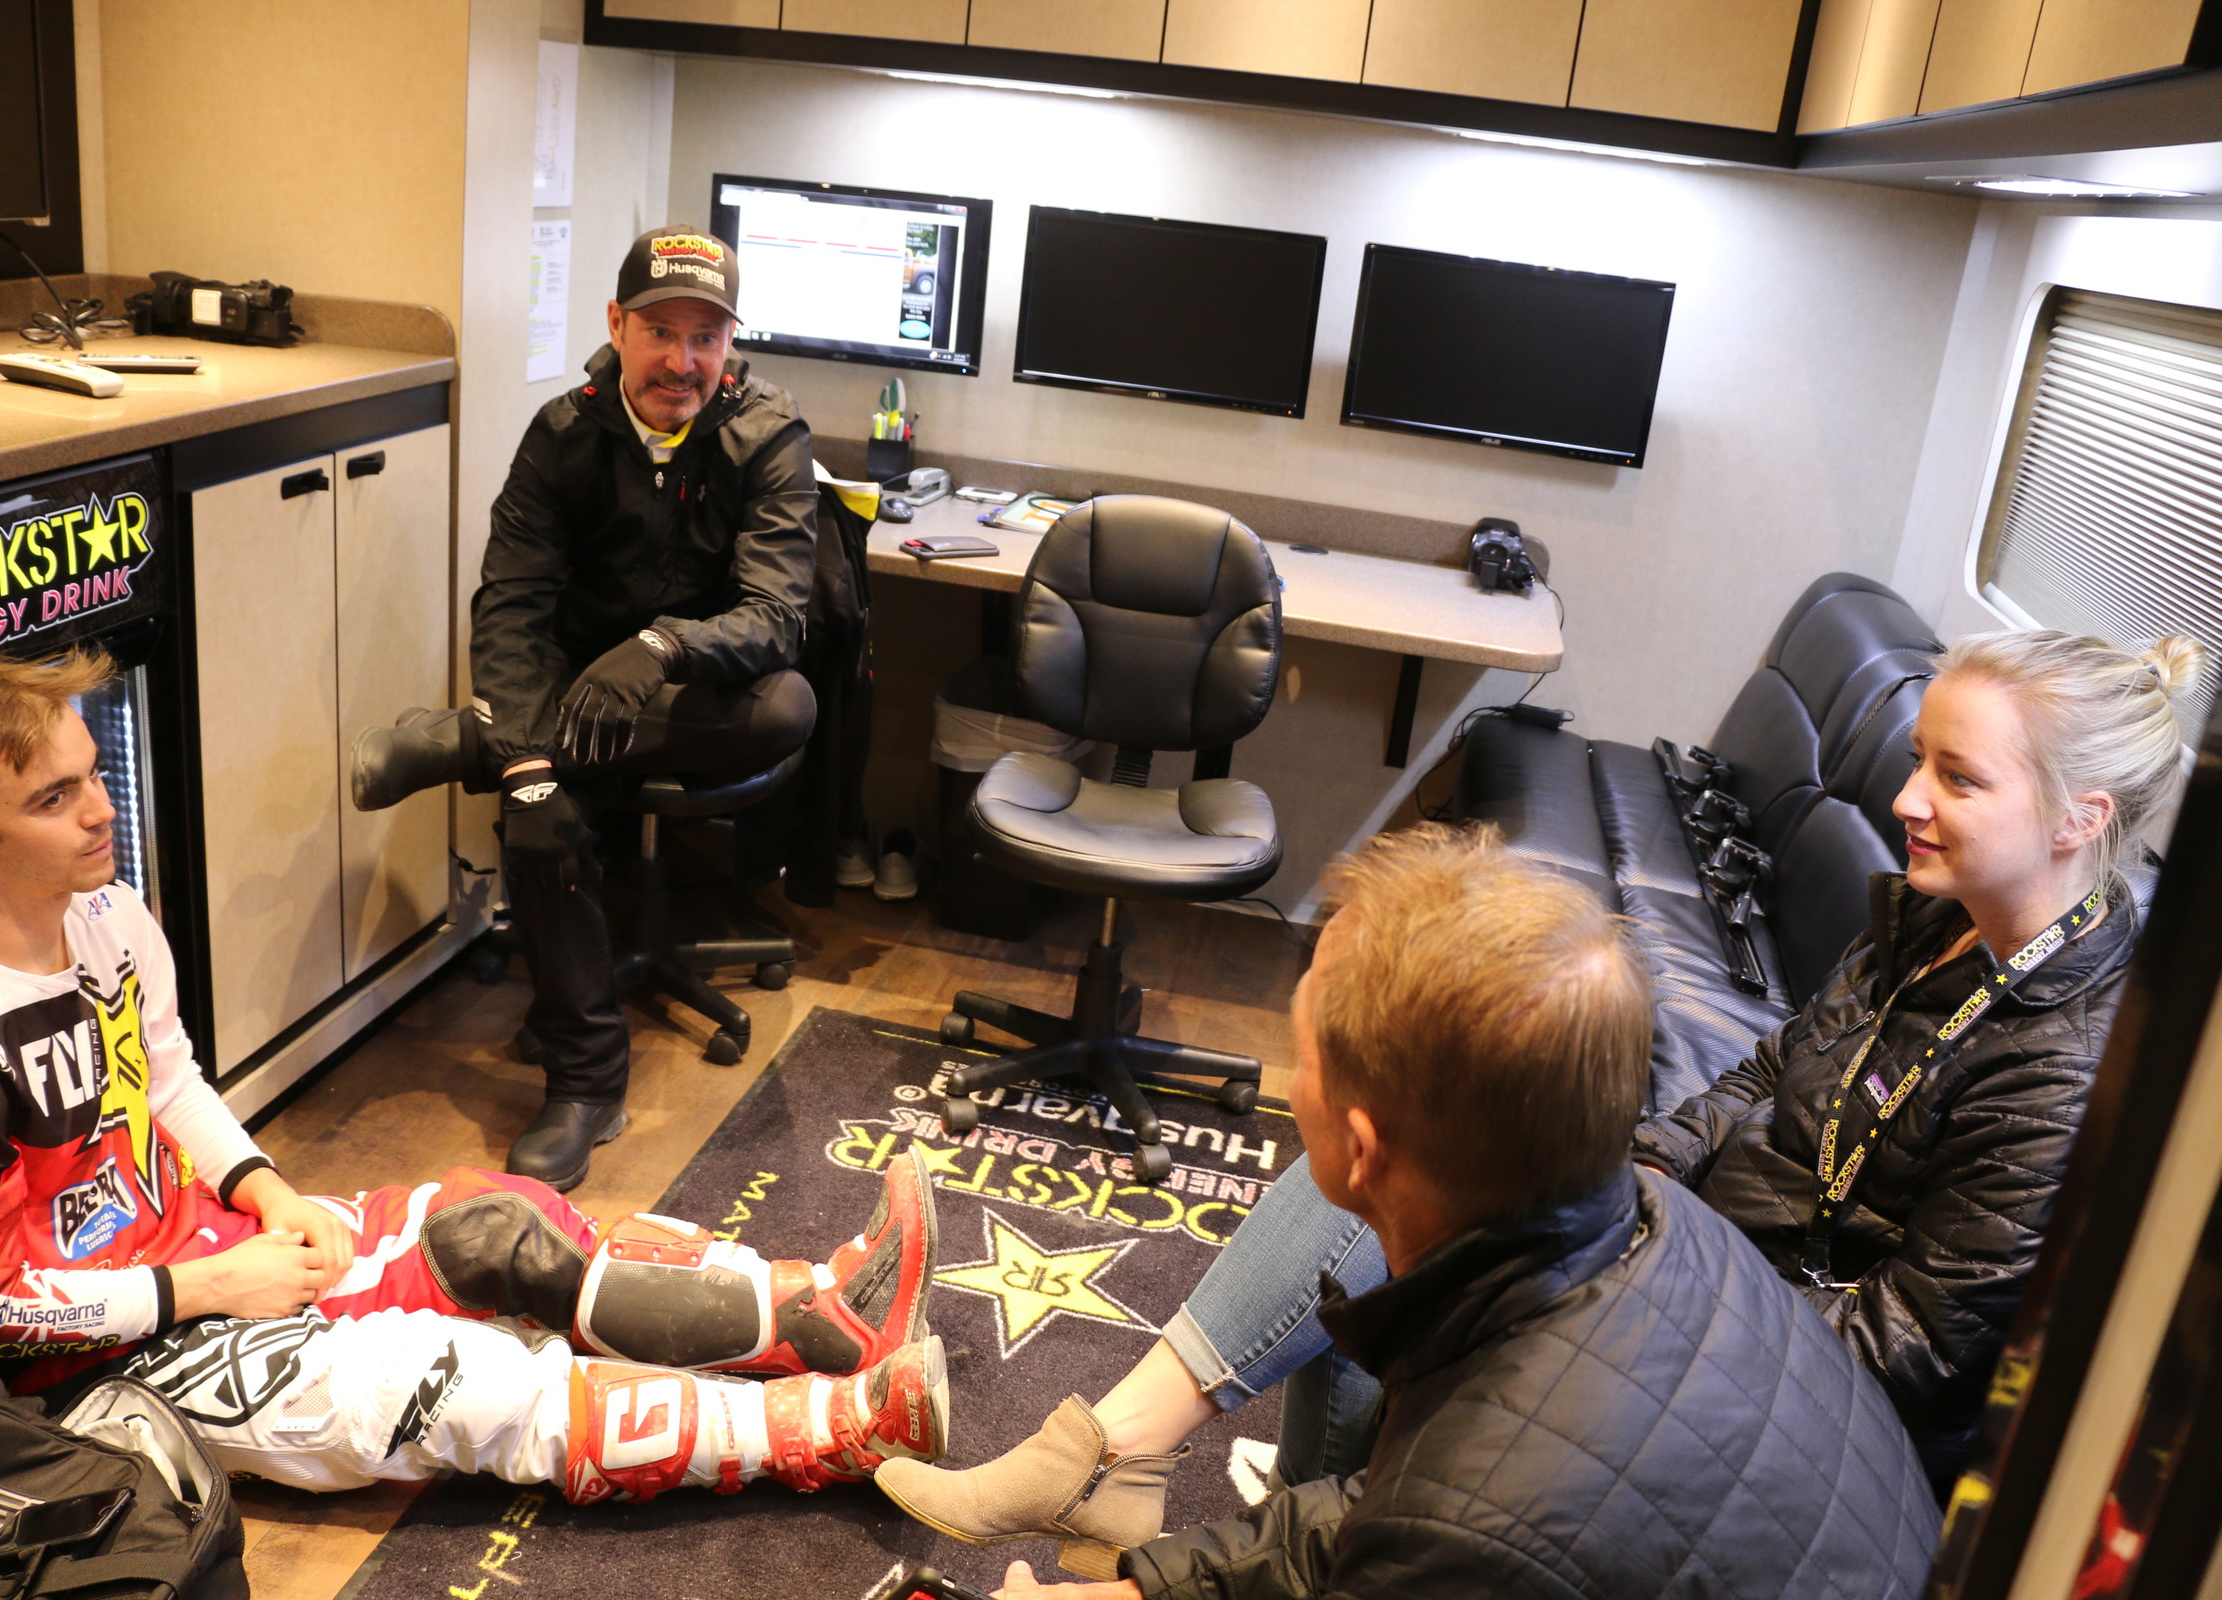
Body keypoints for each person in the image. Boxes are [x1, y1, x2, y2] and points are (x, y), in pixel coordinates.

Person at [884, 627, 2203, 1565]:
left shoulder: (2066, 1065)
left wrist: (1638, 1263)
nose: (1908, 799)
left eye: (1958, 780)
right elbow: (1762, 1078)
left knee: (1415, 1202)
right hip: (1695, 1261)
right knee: (1381, 1188)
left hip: (1754, 1364)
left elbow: (1904, 1356)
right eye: (1919, 758)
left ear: (2083, 816)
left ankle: (1141, 1471)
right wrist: (1641, 1170)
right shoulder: (1929, 925)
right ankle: (1163, 1473)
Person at [0, 649, 943, 1504]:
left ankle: (817, 1315)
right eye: (52, 799)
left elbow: (168, 1080)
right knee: (467, 1379)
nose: (102, 807)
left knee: (497, 1219)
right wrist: (216, 1289)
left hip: (202, 1248)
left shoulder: (106, 911)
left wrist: (266, 1192)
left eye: (89, 775)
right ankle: (835, 1431)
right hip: (92, 1369)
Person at [897, 824, 1939, 1600]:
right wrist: (1145, 1591)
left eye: (1297, 1057)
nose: (1285, 1079)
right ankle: (1107, 1466)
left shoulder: (1471, 1520)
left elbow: (1438, 1525)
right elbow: (1376, 1519)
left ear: (1358, 1148)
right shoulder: (1659, 1226)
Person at [348, 223, 820, 1190]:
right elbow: (511, 604)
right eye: (660, 331)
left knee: (788, 708)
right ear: (616, 323)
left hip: (697, 693)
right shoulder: (563, 435)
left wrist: (661, 646)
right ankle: (584, 1086)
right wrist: (527, 757)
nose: (682, 361)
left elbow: (774, 614)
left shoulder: (768, 435)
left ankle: (458, 742)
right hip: (570, 690)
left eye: (707, 337)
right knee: (538, 821)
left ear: (731, 344)